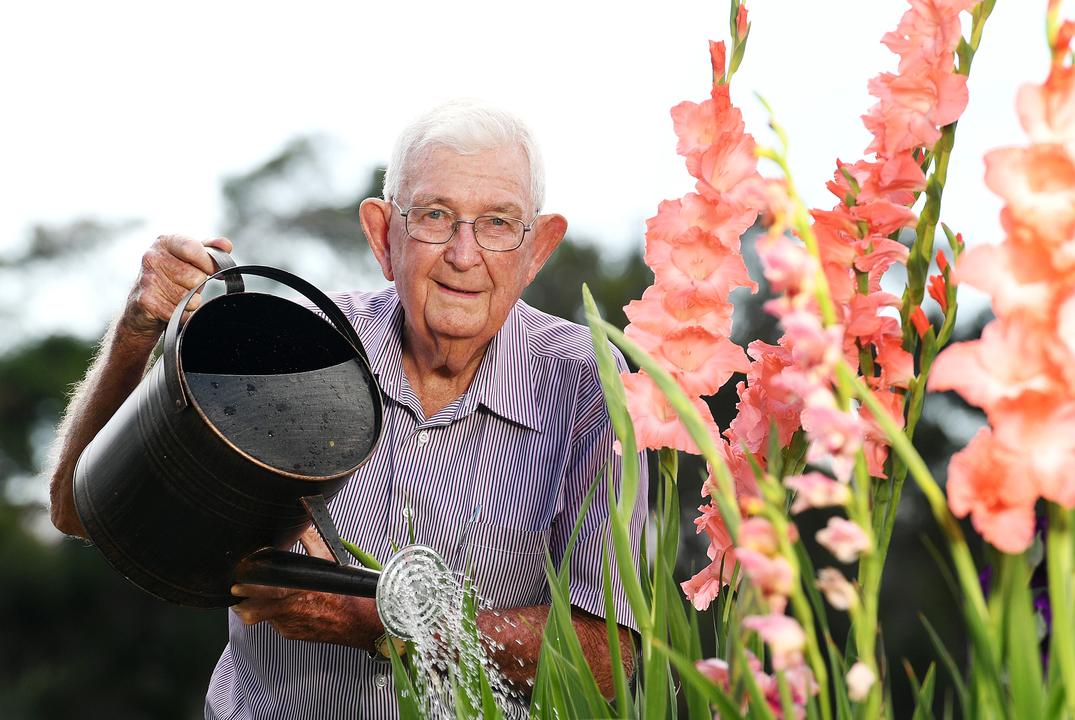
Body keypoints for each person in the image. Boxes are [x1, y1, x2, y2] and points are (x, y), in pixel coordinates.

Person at [46, 99, 647, 718]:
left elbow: (608, 654)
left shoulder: (590, 385)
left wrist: (380, 622)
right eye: (435, 217)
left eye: (497, 223)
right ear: (384, 235)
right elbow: (78, 509)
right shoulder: (296, 353)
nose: (465, 255)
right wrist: (137, 333)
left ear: (538, 249)